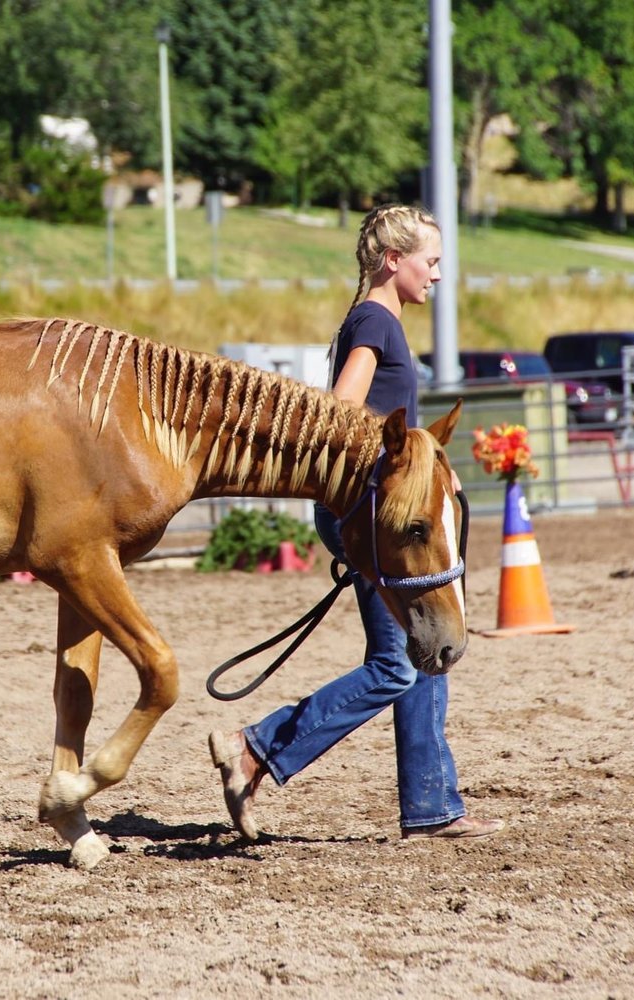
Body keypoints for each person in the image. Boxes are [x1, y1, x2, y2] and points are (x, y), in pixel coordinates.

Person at [208, 203, 503, 842]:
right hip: (377, 517)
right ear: (393, 261)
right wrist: (406, 470)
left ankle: (432, 805)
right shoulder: (375, 320)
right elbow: (343, 410)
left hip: (377, 509)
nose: (437, 276)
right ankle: (256, 748)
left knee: (424, 652)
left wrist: (424, 464)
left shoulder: (376, 317)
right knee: (396, 666)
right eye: (430, 262)